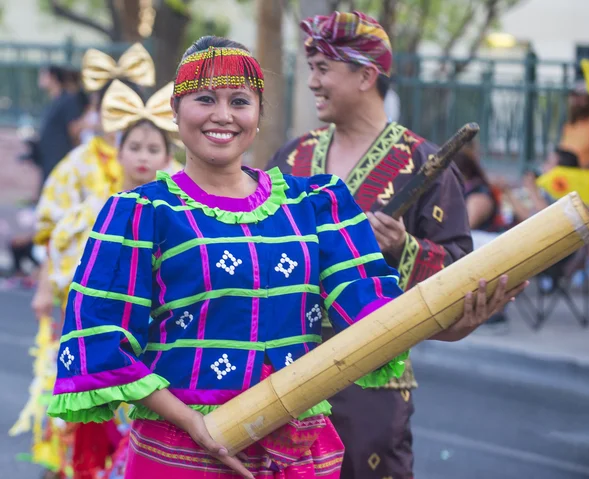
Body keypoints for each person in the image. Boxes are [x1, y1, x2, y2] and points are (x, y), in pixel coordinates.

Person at [47, 35, 524, 479]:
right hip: (180, 453)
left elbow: (375, 316)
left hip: (294, 453)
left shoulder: (315, 204)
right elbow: (101, 338)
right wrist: (196, 424)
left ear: (258, 112)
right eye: (204, 99)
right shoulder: (140, 213)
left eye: (239, 101)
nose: (222, 116)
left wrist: (460, 311)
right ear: (175, 109)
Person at [267, 11, 473, 479]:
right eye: (310, 68)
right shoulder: (293, 157)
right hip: (283, 372)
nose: (312, 82)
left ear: (366, 75)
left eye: (323, 69)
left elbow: (462, 270)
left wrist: (405, 249)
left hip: (371, 379)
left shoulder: (424, 164)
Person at [22, 43, 156, 479]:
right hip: (87, 309)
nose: (142, 157)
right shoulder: (81, 173)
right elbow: (55, 236)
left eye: (152, 149)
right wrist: (47, 290)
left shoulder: (175, 188)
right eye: (132, 146)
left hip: (153, 327)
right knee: (80, 418)